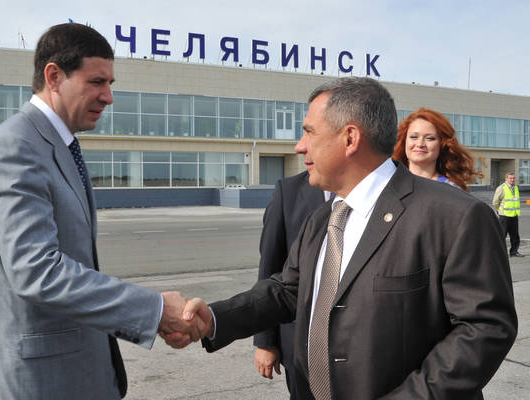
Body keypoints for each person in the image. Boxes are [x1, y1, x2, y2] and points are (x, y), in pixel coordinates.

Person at [165, 77, 517, 399]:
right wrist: (215, 318)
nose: (299, 147)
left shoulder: (455, 216)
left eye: (309, 132)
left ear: (350, 139)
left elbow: (485, 328)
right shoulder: (324, 217)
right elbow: (288, 290)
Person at [0, 23, 203, 400]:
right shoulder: (15, 147)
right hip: (40, 380)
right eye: (97, 82)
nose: (108, 97)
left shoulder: (58, 146)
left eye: (110, 83)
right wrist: (156, 310)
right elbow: (37, 271)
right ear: (54, 76)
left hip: (77, 370)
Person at [253, 171, 329, 397]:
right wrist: (265, 341)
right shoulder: (288, 191)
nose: (301, 152)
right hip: (299, 342)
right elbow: (269, 267)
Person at [392, 107, 481, 191]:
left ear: (442, 144)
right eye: (414, 137)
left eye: (430, 138)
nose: (420, 144)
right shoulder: (388, 183)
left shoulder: (451, 191)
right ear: (404, 141)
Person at [493, 172, 524, 257]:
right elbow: (495, 202)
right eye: (510, 178)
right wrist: (499, 210)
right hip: (504, 216)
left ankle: (514, 252)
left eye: (513, 178)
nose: (512, 180)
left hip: (514, 215)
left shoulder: (516, 188)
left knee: (515, 236)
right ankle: (499, 253)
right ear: (506, 179)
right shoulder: (501, 188)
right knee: (502, 235)